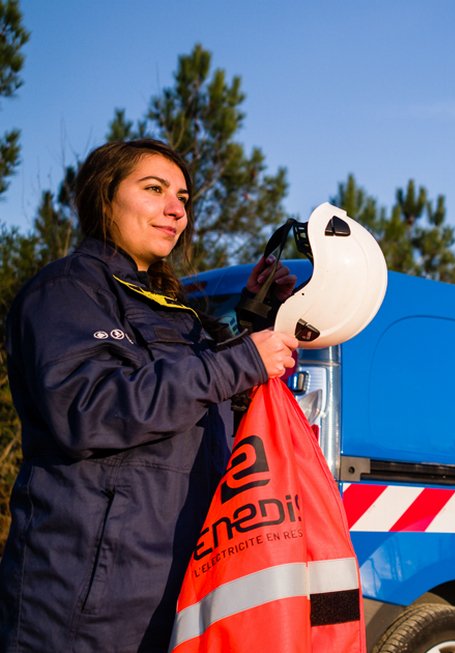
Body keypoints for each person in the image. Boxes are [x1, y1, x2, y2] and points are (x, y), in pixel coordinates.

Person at [0, 139, 299, 651]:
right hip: (84, 599)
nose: (176, 209)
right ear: (104, 196)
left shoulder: (168, 306)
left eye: (182, 196)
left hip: (172, 587)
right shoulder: (68, 291)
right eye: (154, 189)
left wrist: (255, 318)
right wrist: (239, 361)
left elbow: (210, 404)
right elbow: (86, 409)